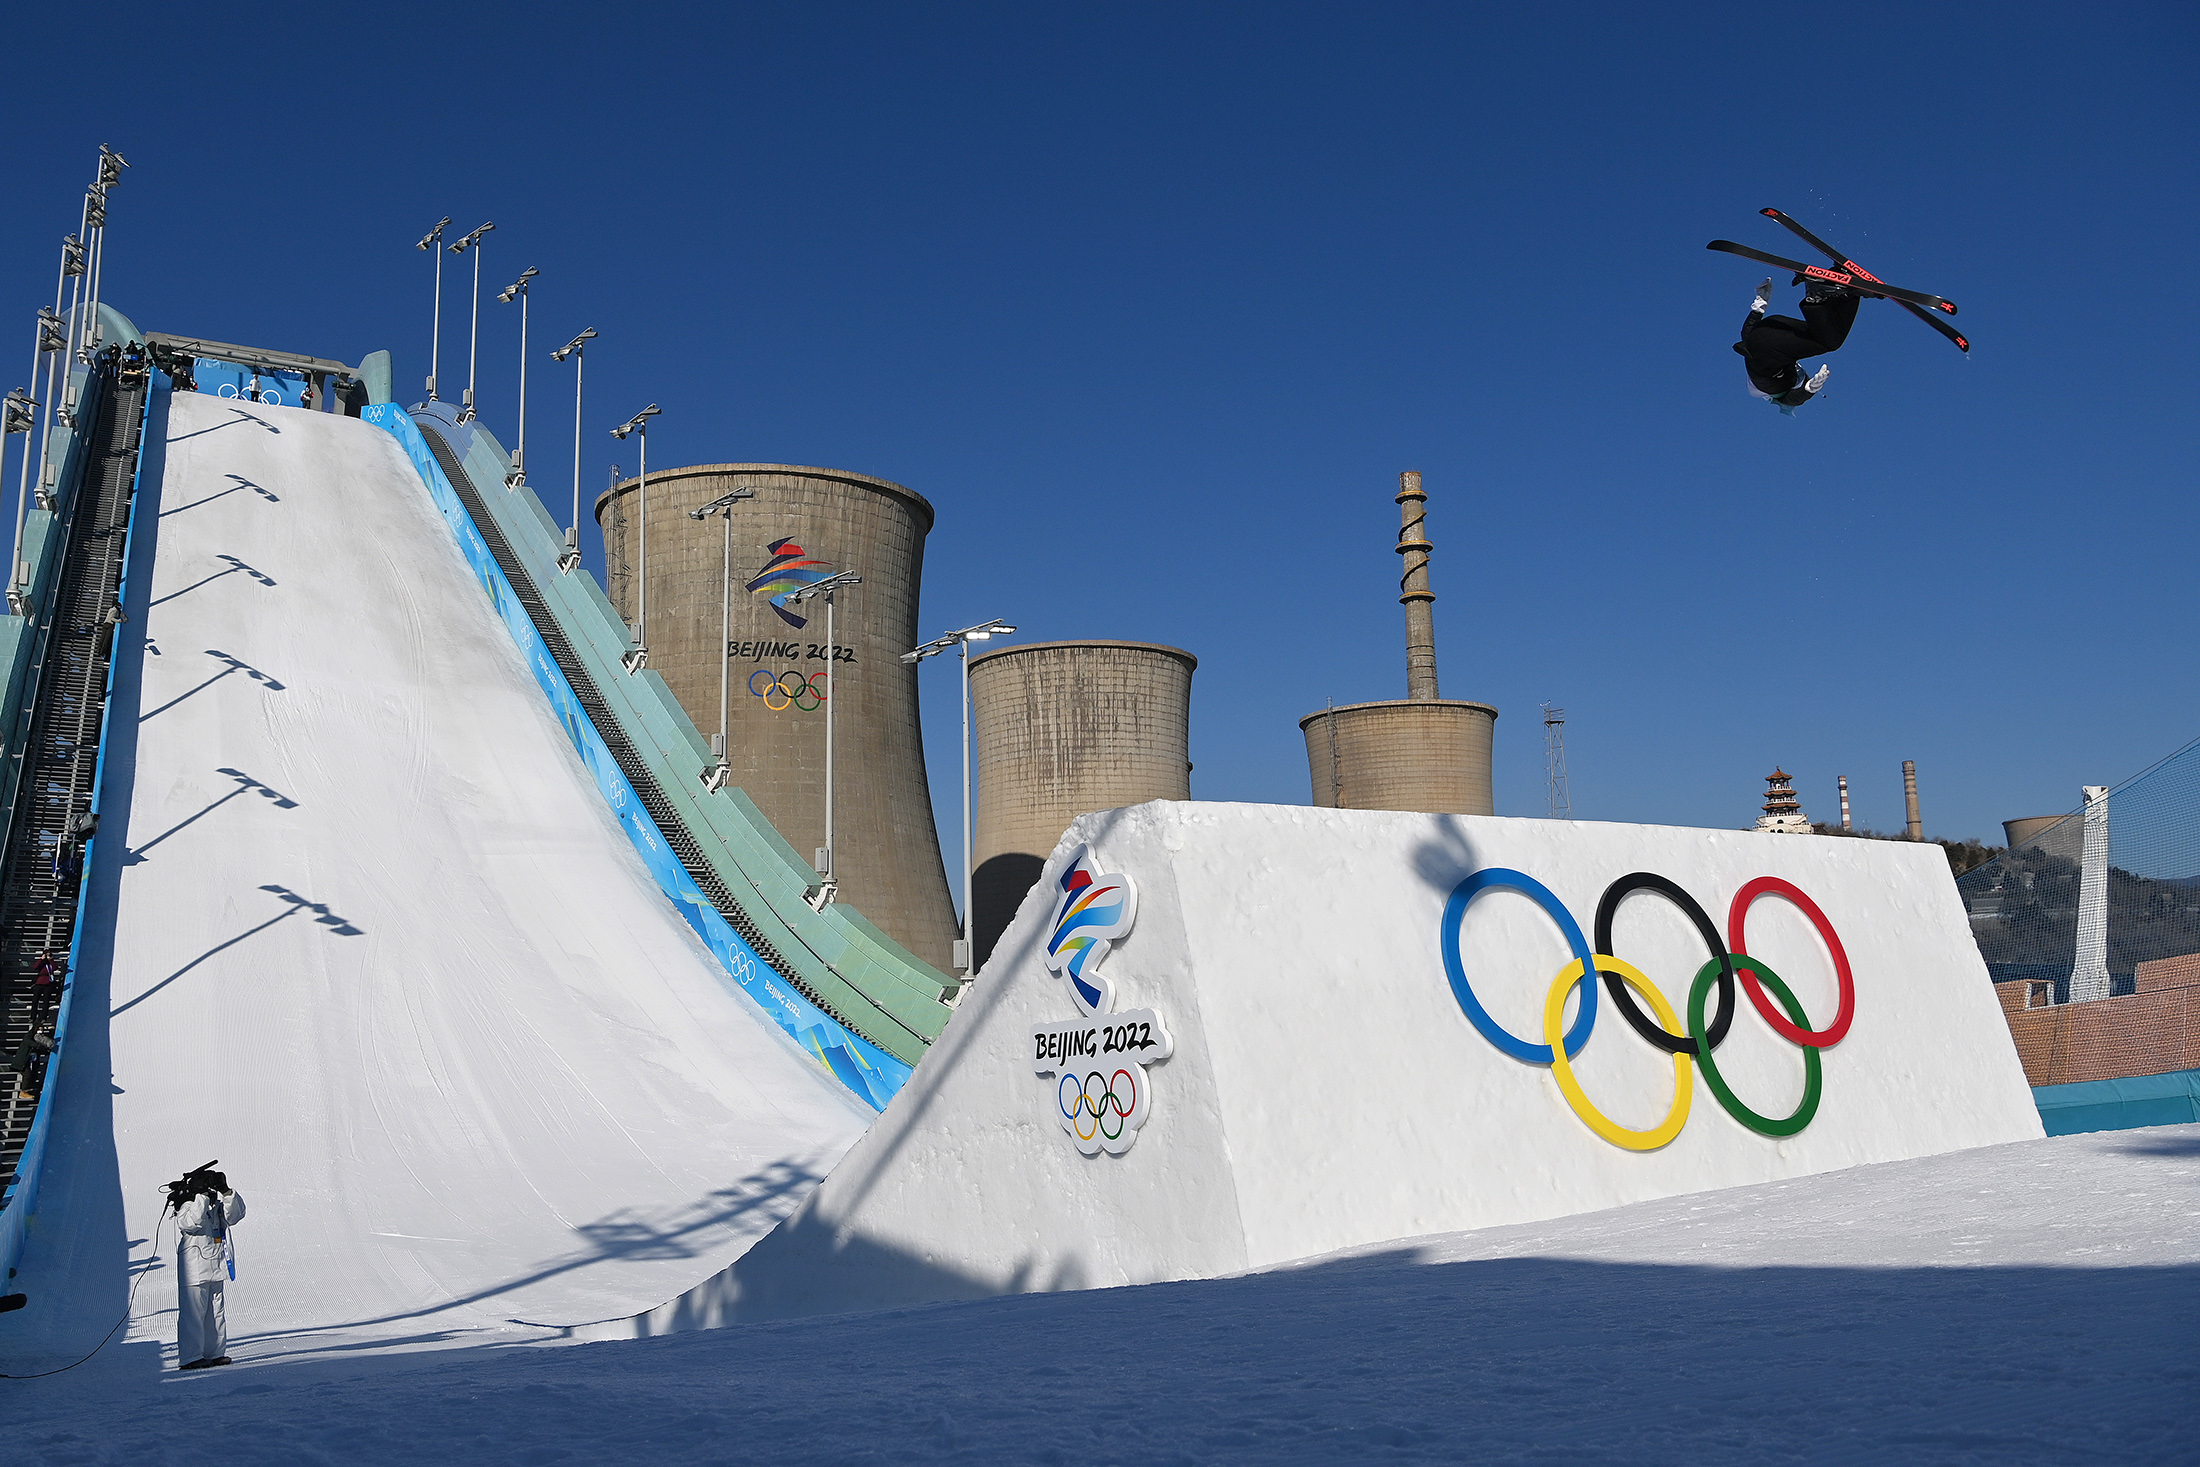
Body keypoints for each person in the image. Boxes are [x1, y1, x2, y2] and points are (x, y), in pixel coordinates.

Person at [1734, 273, 1858, 415]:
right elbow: (1748, 338)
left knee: (1830, 343)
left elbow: (1791, 400)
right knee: (1823, 330)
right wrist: (1759, 306)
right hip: (1768, 326)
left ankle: (1819, 297)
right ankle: (1838, 293)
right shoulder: (1759, 366)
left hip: (1770, 342)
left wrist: (1809, 390)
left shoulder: (1767, 386)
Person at [172, 1167, 246, 1371]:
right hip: (194, 1268)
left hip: (216, 1264)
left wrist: (227, 1192)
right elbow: (191, 1223)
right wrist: (200, 1195)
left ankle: (214, 1353)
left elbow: (235, 1216)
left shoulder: (215, 1205)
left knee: (215, 1313)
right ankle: (191, 1357)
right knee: (193, 1315)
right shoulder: (187, 1204)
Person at [30, 949, 62, 1018]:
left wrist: (50, 960)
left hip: (48, 983)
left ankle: (43, 1016)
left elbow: (55, 967)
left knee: (46, 1001)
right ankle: (33, 1016)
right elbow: (35, 967)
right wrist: (41, 959)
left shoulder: (51, 963)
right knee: (35, 1000)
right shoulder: (41, 963)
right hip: (39, 982)